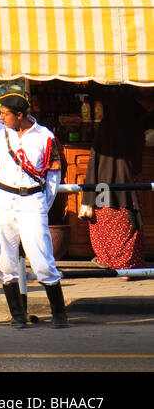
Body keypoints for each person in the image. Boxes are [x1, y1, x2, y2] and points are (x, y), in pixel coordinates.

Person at [0, 92, 68, 328]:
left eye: (5, 114)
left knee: (42, 260)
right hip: (4, 201)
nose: (1, 117)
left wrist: (42, 203)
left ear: (20, 115)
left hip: (32, 202)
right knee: (6, 262)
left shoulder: (45, 136)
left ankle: (59, 313)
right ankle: (17, 315)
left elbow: (54, 174)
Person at [79, 86, 151, 272]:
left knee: (105, 221)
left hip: (103, 183)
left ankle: (109, 261)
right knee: (127, 223)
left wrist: (89, 195)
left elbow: (94, 159)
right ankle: (127, 265)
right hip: (128, 182)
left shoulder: (106, 126)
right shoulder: (134, 125)